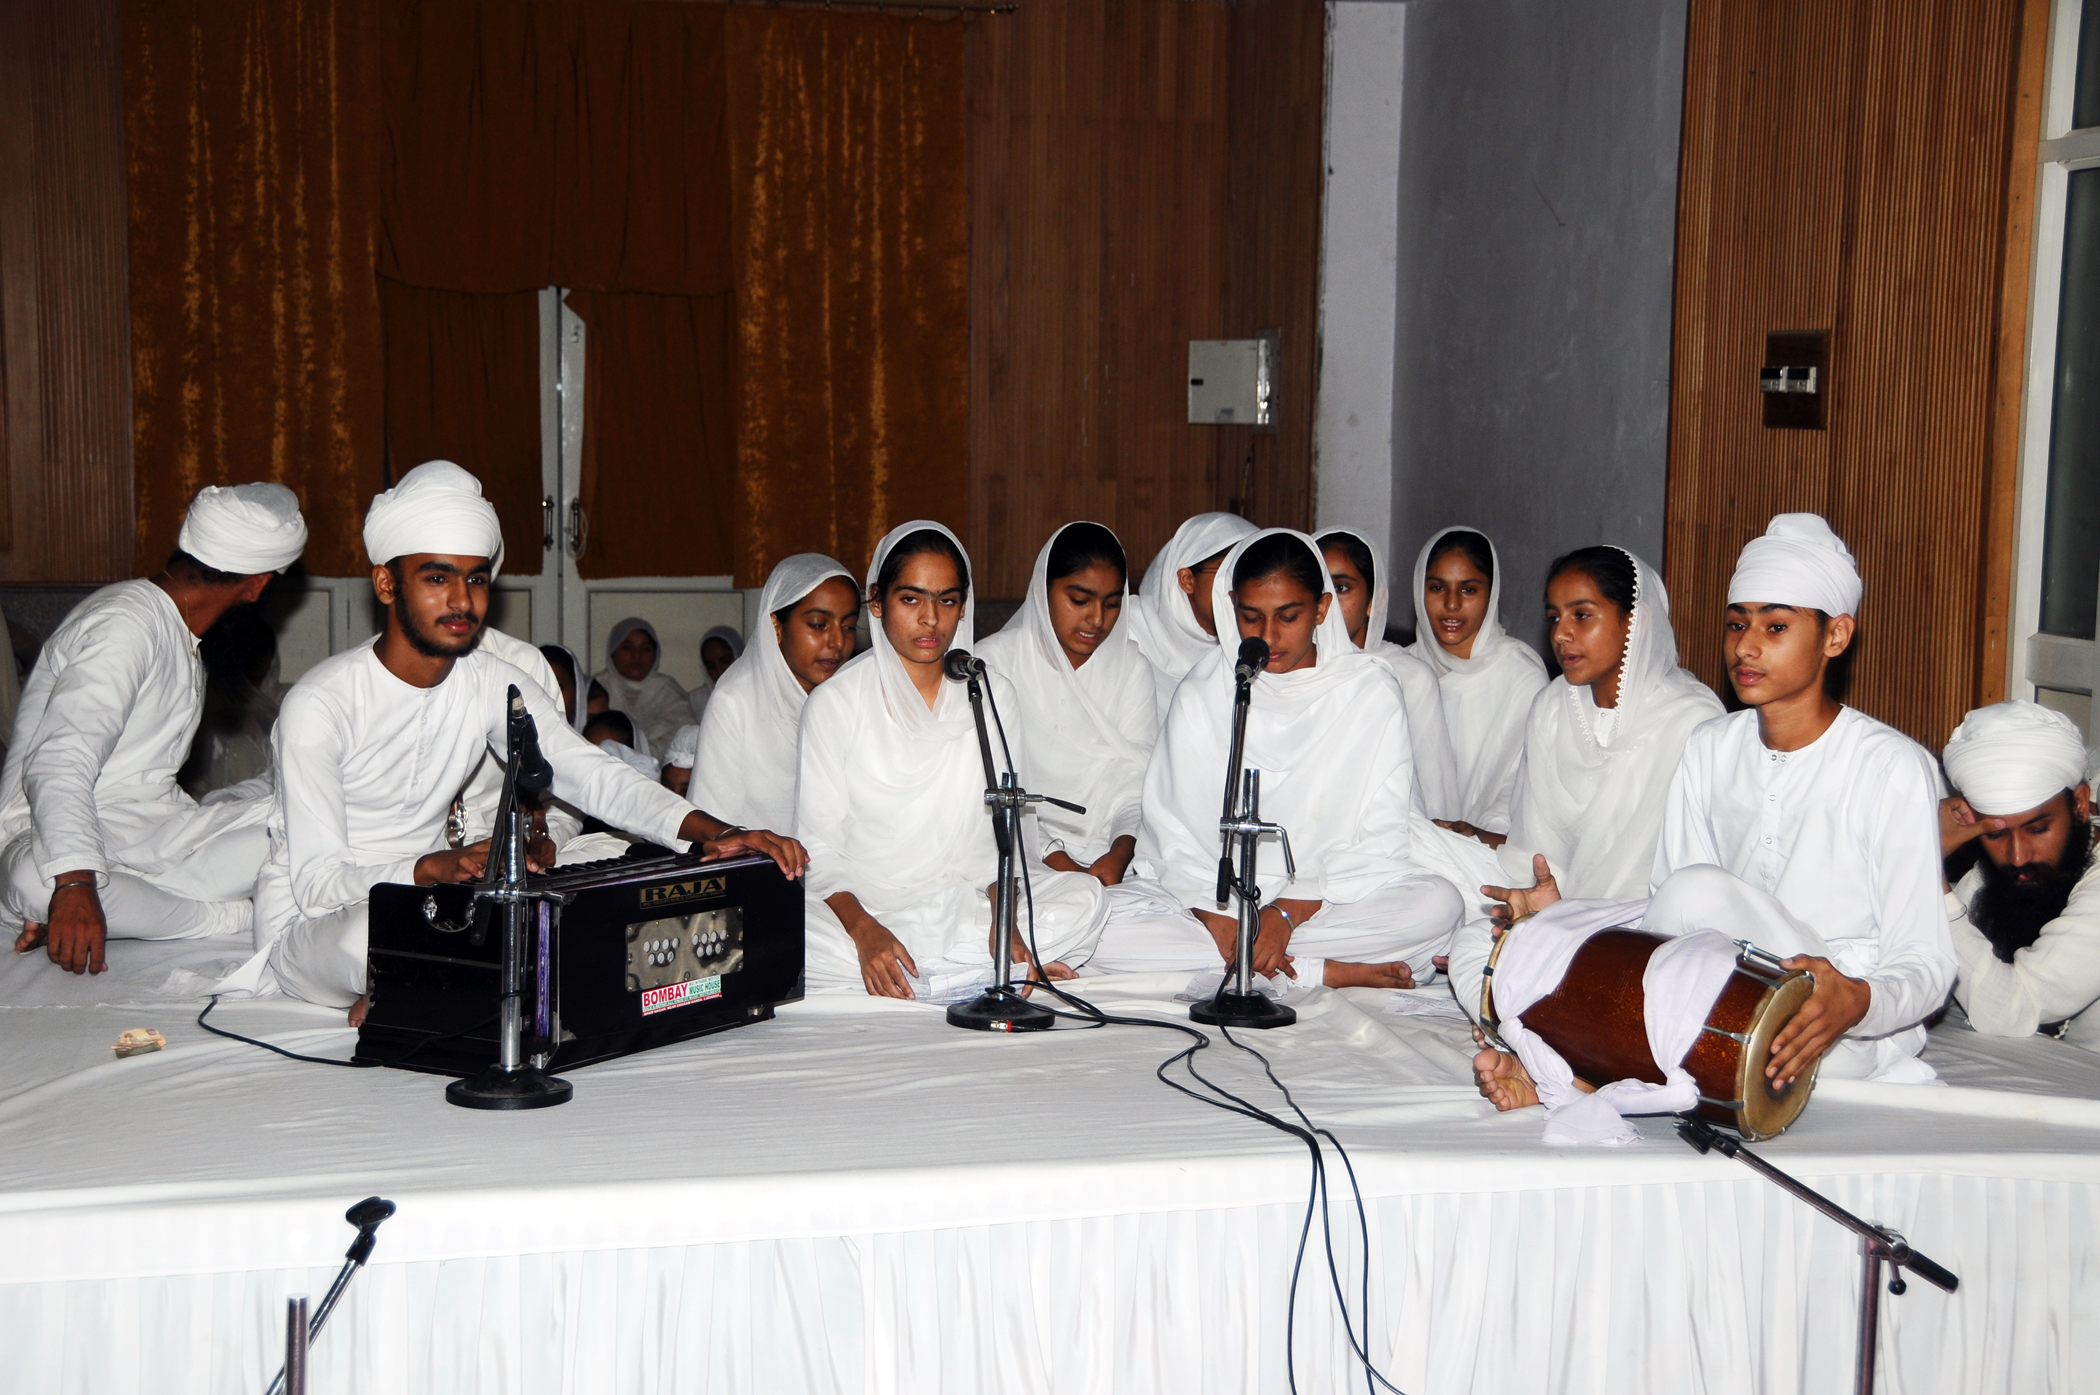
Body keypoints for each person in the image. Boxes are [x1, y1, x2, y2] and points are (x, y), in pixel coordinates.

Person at [240, 470, 804, 1018]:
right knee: (365, 936)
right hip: (317, 921)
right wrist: (432, 866)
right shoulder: (319, 704)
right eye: (437, 579)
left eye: (476, 579)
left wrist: (718, 832)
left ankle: (430, 982)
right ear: (387, 584)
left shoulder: (489, 682)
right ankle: (425, 978)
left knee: (587, 894)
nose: (462, 601)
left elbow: (591, 774)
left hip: (438, 900)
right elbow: (317, 886)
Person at [1467, 514, 1955, 1131]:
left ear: (1836, 636)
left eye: (1775, 627)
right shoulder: (1710, 747)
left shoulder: (1893, 766)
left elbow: (1927, 963)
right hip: (1724, 1004)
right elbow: (1670, 929)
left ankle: (1582, 1070)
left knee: (1693, 897)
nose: (1746, 646)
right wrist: (1568, 919)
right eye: (1736, 624)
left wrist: (1859, 999)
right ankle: (1583, 1071)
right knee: (1541, 943)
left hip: (1839, 1024)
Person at [1091, 529, 1464, 988]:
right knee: (1098, 925)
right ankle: (1316, 970)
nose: (1268, 636)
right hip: (1214, 900)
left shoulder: (1369, 691)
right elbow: (1171, 834)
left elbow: (1380, 836)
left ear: (1321, 609)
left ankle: (1253, 961)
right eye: (1251, 617)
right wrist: (1217, 918)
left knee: (1438, 905)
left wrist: (1287, 912)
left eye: (1288, 616)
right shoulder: (1206, 689)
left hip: (1323, 899)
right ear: (1231, 606)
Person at [3, 483, 308, 974]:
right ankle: (224, 916)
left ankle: (137, 906)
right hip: (51, 833)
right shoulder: (125, 625)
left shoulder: (177, 628)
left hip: (155, 834)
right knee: (36, 884)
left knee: (309, 826)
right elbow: (60, 760)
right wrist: (75, 886)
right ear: (257, 586)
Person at [796, 521, 1109, 997]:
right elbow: (819, 851)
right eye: (911, 599)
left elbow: (1000, 840)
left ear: (964, 607)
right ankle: (973, 967)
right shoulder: (833, 705)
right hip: (869, 905)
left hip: (971, 901)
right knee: (784, 931)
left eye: (946, 601)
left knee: (1087, 898)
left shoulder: (990, 693)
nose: (930, 619)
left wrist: (1005, 922)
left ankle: (964, 964)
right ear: (877, 602)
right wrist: (864, 932)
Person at [1486, 545, 1723, 902]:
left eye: (1581, 615)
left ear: (1638, 621)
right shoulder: (1552, 706)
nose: (1560, 634)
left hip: (1647, 913)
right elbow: (1536, 846)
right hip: (1552, 896)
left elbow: (1689, 870)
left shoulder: (1690, 720)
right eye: (1554, 617)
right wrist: (1545, 900)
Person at [977, 522, 1155, 887]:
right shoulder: (994, 663)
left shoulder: (1131, 666)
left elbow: (1135, 780)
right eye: (1079, 600)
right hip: (1014, 854)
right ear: (1043, 591)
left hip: (1116, 857)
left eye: (1112, 604)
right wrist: (1062, 865)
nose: (1097, 619)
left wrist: (1120, 853)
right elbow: (992, 788)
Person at [1941, 700, 2100, 1044]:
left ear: (2079, 805)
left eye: (2038, 829)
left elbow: (2011, 1011)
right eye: (1995, 835)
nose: (2016, 856)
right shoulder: (2009, 870)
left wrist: (1923, 870)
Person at [687, 554, 858, 834]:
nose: (838, 642)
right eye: (819, 624)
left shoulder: (856, 698)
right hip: (756, 861)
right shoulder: (736, 703)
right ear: (776, 626)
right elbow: (715, 824)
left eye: (849, 626)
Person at [1404, 526, 1550, 835]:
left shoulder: (1521, 675)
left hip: (1492, 844)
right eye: (1437, 588)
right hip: (1409, 839)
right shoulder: (1401, 669)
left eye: (1468, 590)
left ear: (1491, 593)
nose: (1452, 604)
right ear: (1419, 589)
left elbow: (1520, 785)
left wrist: (1478, 835)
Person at [1316, 528, 1463, 820]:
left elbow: (1436, 796)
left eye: (1341, 588)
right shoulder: (1293, 669)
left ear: (1376, 601)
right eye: (1315, 587)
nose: (1327, 601)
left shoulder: (1410, 676)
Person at [1122, 512, 1259, 729]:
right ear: (1187, 580)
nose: (1240, 589)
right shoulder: (1125, 633)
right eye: (1228, 572)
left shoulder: (1257, 641)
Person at [594, 617, 691, 755]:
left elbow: (685, 734)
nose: (636, 656)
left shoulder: (667, 689)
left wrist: (643, 756)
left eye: (645, 649)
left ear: (655, 655)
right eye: (627, 648)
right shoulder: (597, 687)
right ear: (613, 653)